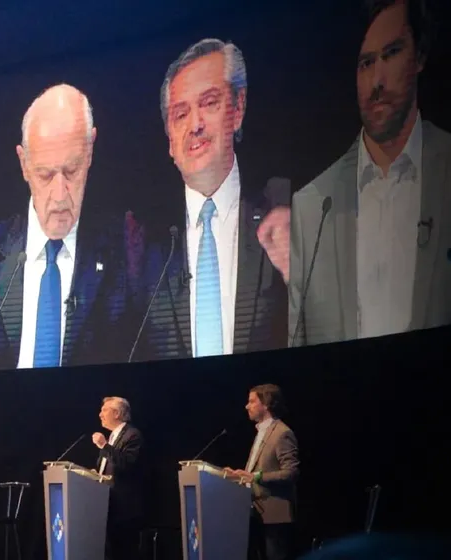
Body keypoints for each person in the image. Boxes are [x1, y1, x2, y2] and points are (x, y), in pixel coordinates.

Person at [274, 0, 451, 345]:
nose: (377, 81)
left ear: (419, 56)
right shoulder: (312, 208)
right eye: (366, 63)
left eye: (392, 53)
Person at [134, 38, 287, 361]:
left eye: (209, 103)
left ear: (238, 109)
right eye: (181, 114)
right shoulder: (145, 243)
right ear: (170, 140)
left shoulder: (285, 206)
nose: (195, 125)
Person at [0, 83, 133, 371]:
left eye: (71, 171)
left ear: (90, 151)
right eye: (45, 175)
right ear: (24, 164)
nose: (59, 195)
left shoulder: (125, 252)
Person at [225, 384, 299, 560]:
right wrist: (239, 475)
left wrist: (256, 476)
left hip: (275, 514)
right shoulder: (261, 432)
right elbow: (256, 470)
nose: (247, 406)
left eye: (252, 401)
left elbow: (291, 472)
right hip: (256, 512)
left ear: (266, 404)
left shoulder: (282, 433)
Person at [92, 397, 144, 560]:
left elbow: (126, 464)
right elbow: (107, 467)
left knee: (123, 553)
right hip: (106, 504)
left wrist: (104, 446)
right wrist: (94, 474)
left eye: (104, 410)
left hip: (123, 509)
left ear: (117, 413)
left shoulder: (132, 435)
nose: (100, 414)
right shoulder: (113, 436)